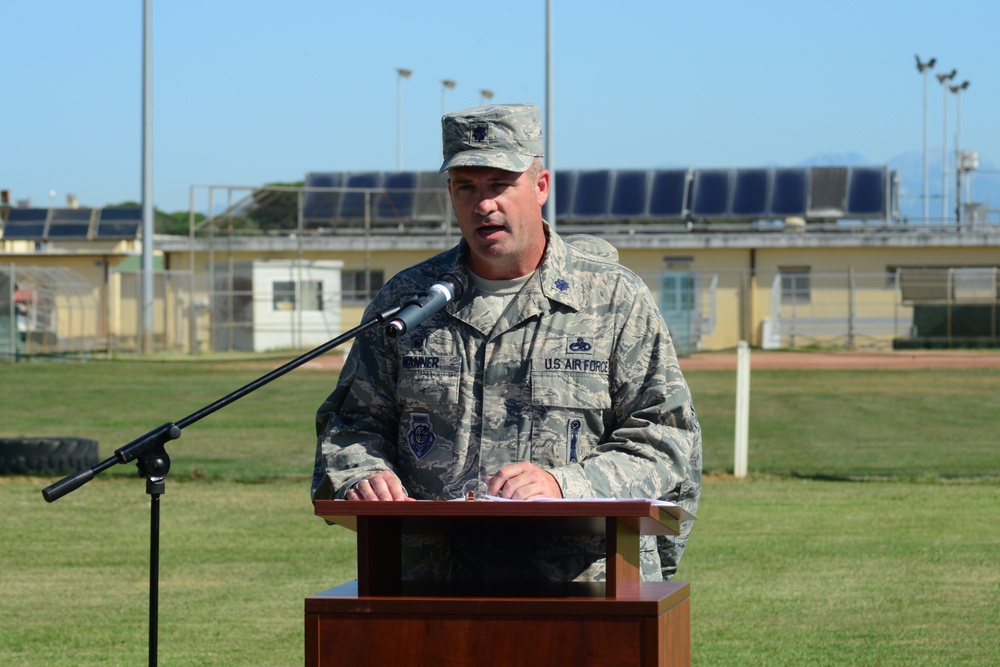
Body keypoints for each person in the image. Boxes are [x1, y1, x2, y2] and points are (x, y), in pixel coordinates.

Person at [311, 103, 701, 582]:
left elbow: (667, 439)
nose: (483, 204)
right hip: (431, 583)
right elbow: (351, 422)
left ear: (540, 187)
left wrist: (565, 484)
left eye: (499, 185)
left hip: (584, 585)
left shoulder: (613, 298)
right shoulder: (406, 301)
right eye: (466, 187)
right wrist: (361, 474)